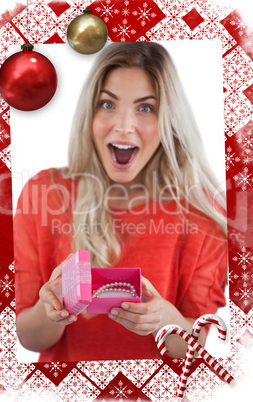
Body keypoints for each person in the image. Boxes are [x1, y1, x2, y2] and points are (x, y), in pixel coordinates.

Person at [14, 42, 227, 362]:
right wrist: (52, 310)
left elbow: (193, 348)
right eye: (108, 104)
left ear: (168, 120)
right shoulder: (43, 192)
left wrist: (165, 321)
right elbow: (26, 335)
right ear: (90, 112)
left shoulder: (203, 213)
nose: (123, 126)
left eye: (145, 108)